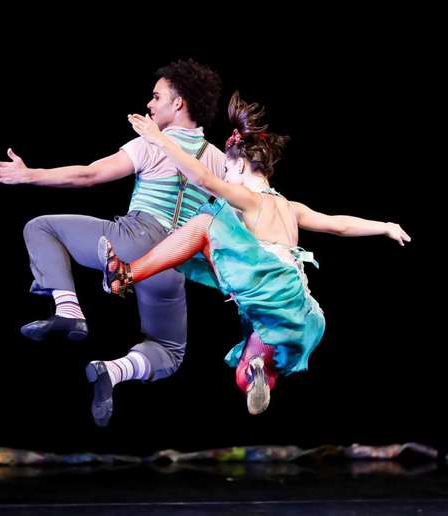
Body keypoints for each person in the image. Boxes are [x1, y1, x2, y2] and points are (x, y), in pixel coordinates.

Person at [98, 92, 411, 416]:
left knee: (206, 224)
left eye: (228, 170)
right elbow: (339, 226)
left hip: (267, 280)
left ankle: (126, 275)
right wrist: (384, 225)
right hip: (303, 310)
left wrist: (159, 139)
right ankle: (260, 369)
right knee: (249, 366)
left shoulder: (248, 197)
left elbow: (201, 177)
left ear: (242, 164)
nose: (225, 177)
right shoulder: (290, 206)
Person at [0, 59, 226, 427]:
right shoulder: (219, 162)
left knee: (41, 227)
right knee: (170, 352)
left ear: (179, 103)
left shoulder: (152, 143)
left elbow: (90, 175)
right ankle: (112, 371)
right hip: (169, 265)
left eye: (157, 97)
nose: (150, 104)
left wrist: (29, 175)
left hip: (133, 241)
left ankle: (69, 312)